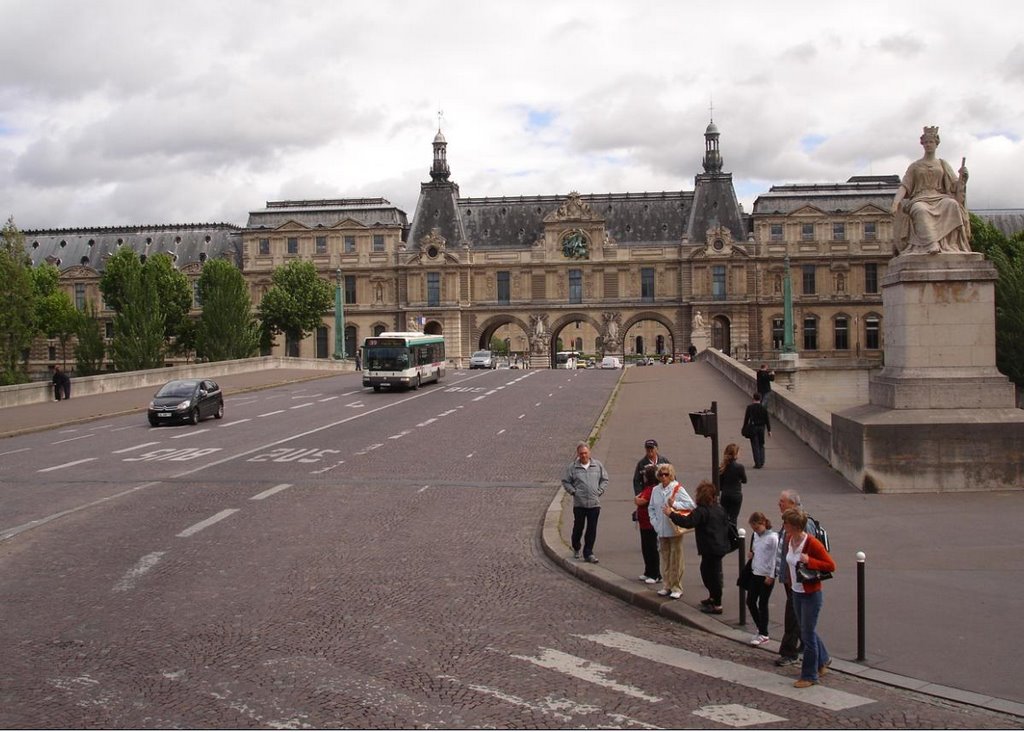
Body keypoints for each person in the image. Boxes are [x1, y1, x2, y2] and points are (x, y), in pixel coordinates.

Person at [891, 126, 971, 256]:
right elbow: (904, 186)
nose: (928, 145)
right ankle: (931, 243)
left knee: (952, 205)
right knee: (920, 209)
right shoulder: (915, 166)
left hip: (940, 197)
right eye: (926, 142)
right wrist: (895, 203)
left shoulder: (942, 164)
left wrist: (963, 178)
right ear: (922, 144)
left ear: (936, 144)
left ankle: (951, 245)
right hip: (920, 198)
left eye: (931, 142)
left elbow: (954, 186)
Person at [782, 507, 836, 688]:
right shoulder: (790, 539)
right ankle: (822, 661)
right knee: (807, 630)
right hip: (796, 592)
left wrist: (809, 561)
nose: (784, 526)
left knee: (807, 634)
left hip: (811, 593)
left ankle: (810, 675)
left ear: (795, 526)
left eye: (786, 523)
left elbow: (830, 565)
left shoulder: (811, 542)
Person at [665, 479, 731, 614]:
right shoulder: (718, 509)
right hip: (719, 545)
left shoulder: (701, 511)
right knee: (710, 573)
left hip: (710, 547)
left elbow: (687, 522)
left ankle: (717, 604)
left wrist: (671, 514)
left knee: (710, 575)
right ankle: (713, 597)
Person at [771, 490, 818, 668]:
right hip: (791, 577)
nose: (779, 504)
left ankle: (789, 652)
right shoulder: (788, 522)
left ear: (792, 503)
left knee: (794, 616)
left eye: (782, 501)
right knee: (799, 618)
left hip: (800, 580)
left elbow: (810, 553)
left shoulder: (803, 524)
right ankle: (810, 651)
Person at [647, 463, 695, 600]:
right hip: (661, 530)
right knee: (665, 558)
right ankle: (666, 584)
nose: (663, 477)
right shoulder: (656, 490)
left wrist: (675, 504)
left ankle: (677, 586)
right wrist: (655, 523)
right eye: (661, 474)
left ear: (671, 475)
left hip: (674, 529)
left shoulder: (677, 488)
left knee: (676, 559)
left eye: (666, 474)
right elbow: (651, 508)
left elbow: (691, 505)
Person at [561, 441, 609, 563]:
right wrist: (573, 492)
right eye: (581, 453)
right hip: (580, 504)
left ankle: (588, 552)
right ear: (578, 454)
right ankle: (576, 546)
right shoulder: (573, 467)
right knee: (578, 527)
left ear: (589, 453)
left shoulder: (597, 465)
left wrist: (600, 490)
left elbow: (605, 479)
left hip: (594, 503)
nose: (584, 456)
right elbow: (566, 481)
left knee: (591, 529)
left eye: (585, 453)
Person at [745, 511, 779, 646]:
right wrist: (752, 554)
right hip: (756, 572)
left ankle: (764, 633)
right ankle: (761, 628)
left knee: (763, 603)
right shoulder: (755, 535)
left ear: (763, 523)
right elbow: (755, 549)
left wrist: (772, 575)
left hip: (766, 575)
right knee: (750, 601)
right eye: (753, 528)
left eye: (757, 527)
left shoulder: (773, 538)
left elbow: (776, 557)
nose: (755, 531)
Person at [633, 464, 661, 585]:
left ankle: (655, 574)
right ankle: (648, 571)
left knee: (651, 549)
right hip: (644, 523)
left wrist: (637, 499)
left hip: (650, 524)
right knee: (645, 548)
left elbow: (640, 500)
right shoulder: (648, 488)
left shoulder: (652, 489)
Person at [718, 443, 747, 526]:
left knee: (724, 516)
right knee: (733, 517)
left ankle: (724, 534)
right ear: (735, 455)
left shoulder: (722, 467)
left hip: (725, 494)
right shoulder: (739, 467)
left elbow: (720, 484)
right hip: (736, 494)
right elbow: (744, 480)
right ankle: (733, 535)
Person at [742, 392, 771, 469]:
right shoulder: (763, 408)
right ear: (760, 399)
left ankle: (757, 463)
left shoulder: (750, 407)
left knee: (755, 445)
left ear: (753, 398)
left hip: (753, 428)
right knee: (761, 444)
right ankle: (762, 461)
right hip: (762, 428)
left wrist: (744, 428)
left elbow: (746, 419)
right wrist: (769, 430)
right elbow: (767, 419)